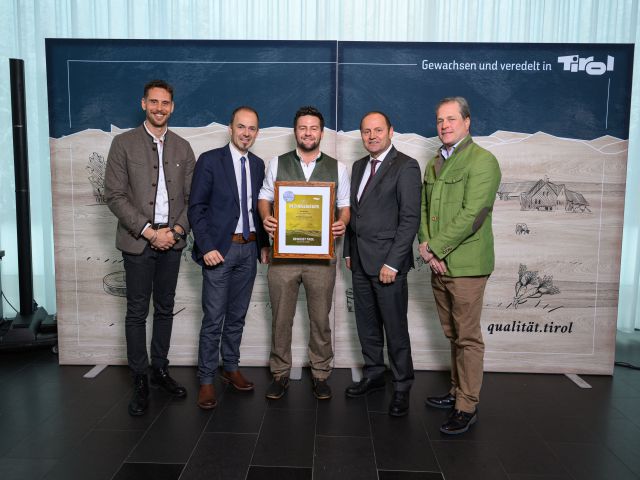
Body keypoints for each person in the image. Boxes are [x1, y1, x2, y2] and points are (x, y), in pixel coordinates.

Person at [105, 79, 196, 416]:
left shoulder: (184, 148)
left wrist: (175, 231)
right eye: (154, 102)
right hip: (137, 242)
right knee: (136, 312)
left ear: (172, 106)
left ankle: (160, 369)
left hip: (172, 241)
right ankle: (140, 379)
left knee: (165, 307)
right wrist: (147, 231)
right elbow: (114, 194)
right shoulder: (123, 144)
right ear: (143, 103)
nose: (160, 108)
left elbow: (192, 198)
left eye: (166, 103)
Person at [418, 96, 501, 434]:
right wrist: (425, 244)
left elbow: (474, 215)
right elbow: (425, 210)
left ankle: (467, 405)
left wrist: (436, 249)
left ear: (468, 122)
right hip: (437, 262)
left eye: (451, 119)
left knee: (467, 337)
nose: (444, 126)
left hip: (466, 265)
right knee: (452, 332)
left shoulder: (483, 161)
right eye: (440, 120)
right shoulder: (434, 162)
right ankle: (456, 391)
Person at [258, 106, 350, 400]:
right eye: (302, 128)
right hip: (282, 258)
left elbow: (344, 206)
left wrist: (341, 223)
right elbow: (264, 198)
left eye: (313, 128)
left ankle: (320, 374)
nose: (308, 133)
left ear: (321, 132)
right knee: (281, 319)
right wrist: (265, 218)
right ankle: (280, 373)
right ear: (295, 132)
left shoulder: (339, 168)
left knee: (320, 320)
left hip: (321, 260)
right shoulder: (276, 163)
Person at [188, 106, 270, 409]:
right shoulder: (210, 161)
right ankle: (207, 379)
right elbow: (196, 207)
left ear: (257, 133)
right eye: (241, 127)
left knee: (237, 316)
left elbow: (260, 210)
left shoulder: (260, 164)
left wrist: (264, 245)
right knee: (213, 319)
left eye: (252, 129)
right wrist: (207, 246)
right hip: (219, 251)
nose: (246, 133)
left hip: (249, 249)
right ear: (230, 128)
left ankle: (230, 367)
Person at [343, 111, 421, 417]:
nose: (372, 136)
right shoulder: (360, 166)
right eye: (366, 131)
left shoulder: (406, 166)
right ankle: (374, 374)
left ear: (391, 131)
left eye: (377, 130)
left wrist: (393, 262)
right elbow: (355, 214)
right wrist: (349, 251)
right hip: (360, 261)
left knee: (395, 328)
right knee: (367, 324)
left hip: (388, 264)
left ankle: (402, 386)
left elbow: (409, 220)